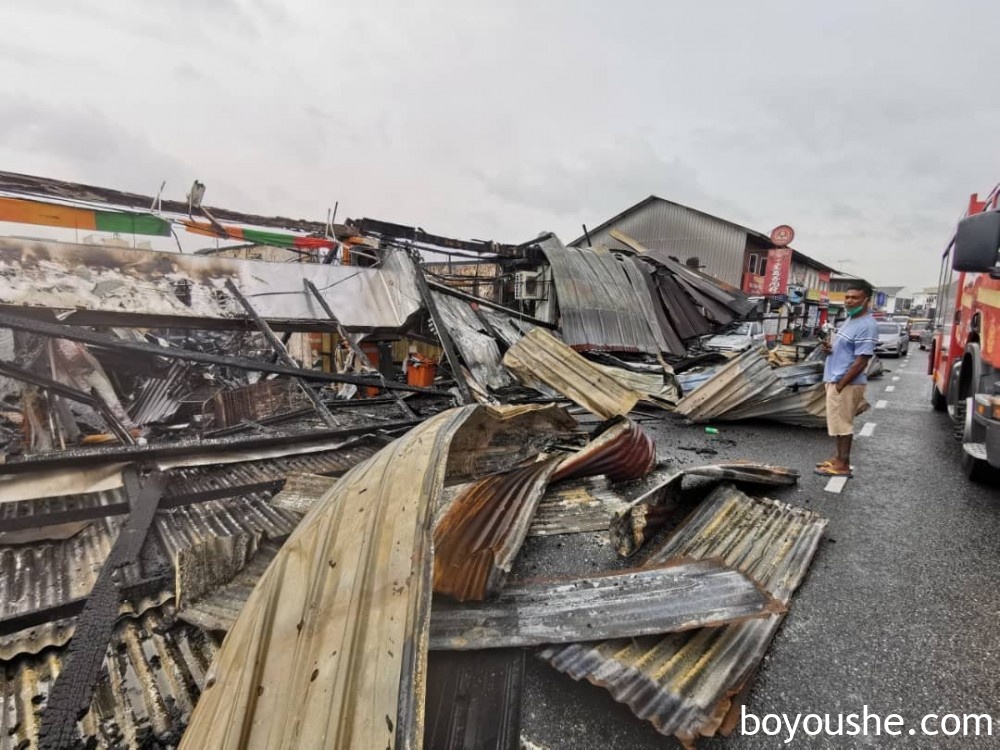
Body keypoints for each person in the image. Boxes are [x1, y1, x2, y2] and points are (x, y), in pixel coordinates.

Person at [815, 283, 878, 477]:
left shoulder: (867, 325)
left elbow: (861, 361)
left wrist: (841, 385)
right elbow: (845, 348)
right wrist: (829, 348)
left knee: (842, 425)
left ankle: (842, 466)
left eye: (855, 298)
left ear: (867, 300)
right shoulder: (851, 319)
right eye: (847, 297)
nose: (850, 301)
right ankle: (838, 458)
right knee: (837, 423)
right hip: (836, 379)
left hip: (846, 382)